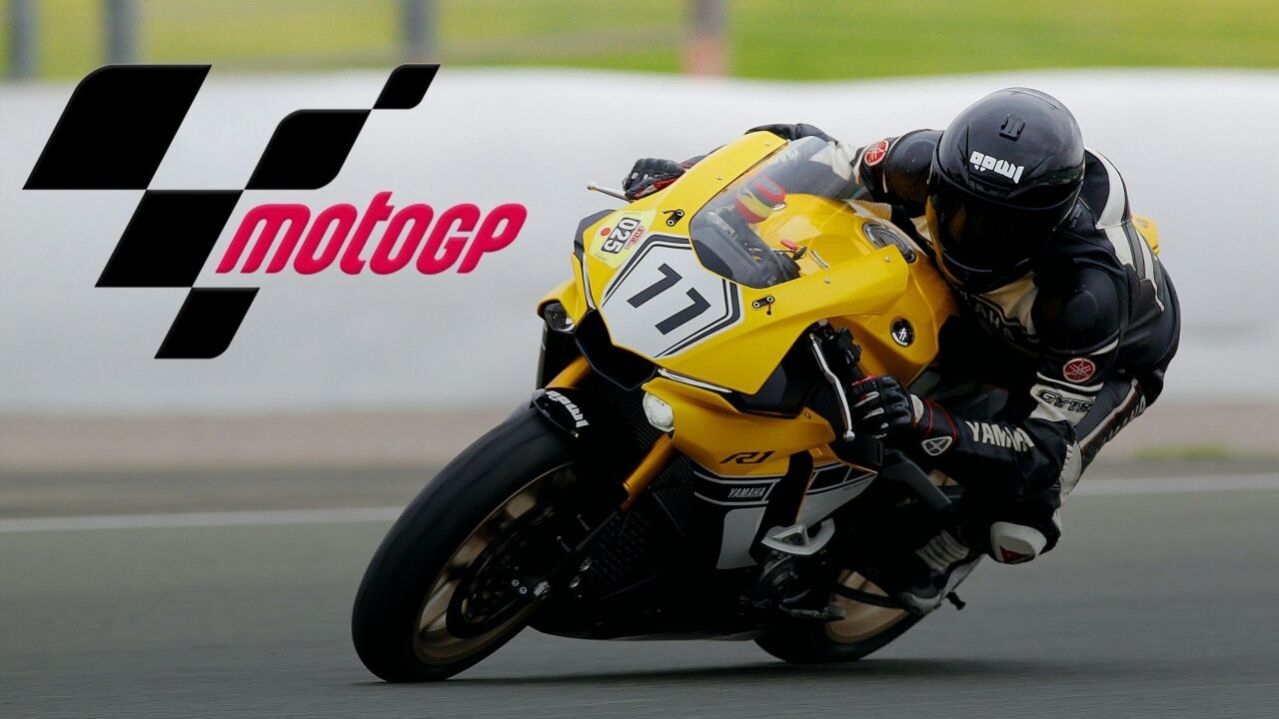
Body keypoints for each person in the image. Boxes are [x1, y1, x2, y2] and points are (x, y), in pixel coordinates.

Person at [621, 88, 1180, 613]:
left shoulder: (1085, 296)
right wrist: (689, 178)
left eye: (1000, 229)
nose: (968, 233)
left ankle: (948, 549)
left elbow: (1041, 444)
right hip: (968, 306)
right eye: (955, 207)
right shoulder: (918, 161)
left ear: (1047, 228)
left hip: (1108, 360)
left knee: (1019, 517)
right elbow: (811, 157)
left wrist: (921, 418)